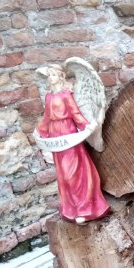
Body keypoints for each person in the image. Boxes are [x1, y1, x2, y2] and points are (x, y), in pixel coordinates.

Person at [35, 64, 110, 224]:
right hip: (55, 135)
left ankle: (84, 208)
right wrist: (40, 131)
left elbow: (76, 113)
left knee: (73, 174)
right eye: (49, 75)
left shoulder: (66, 95)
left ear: (61, 76)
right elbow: (47, 117)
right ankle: (71, 208)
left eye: (53, 75)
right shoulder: (49, 96)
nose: (50, 78)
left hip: (68, 133)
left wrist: (87, 126)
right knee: (63, 174)